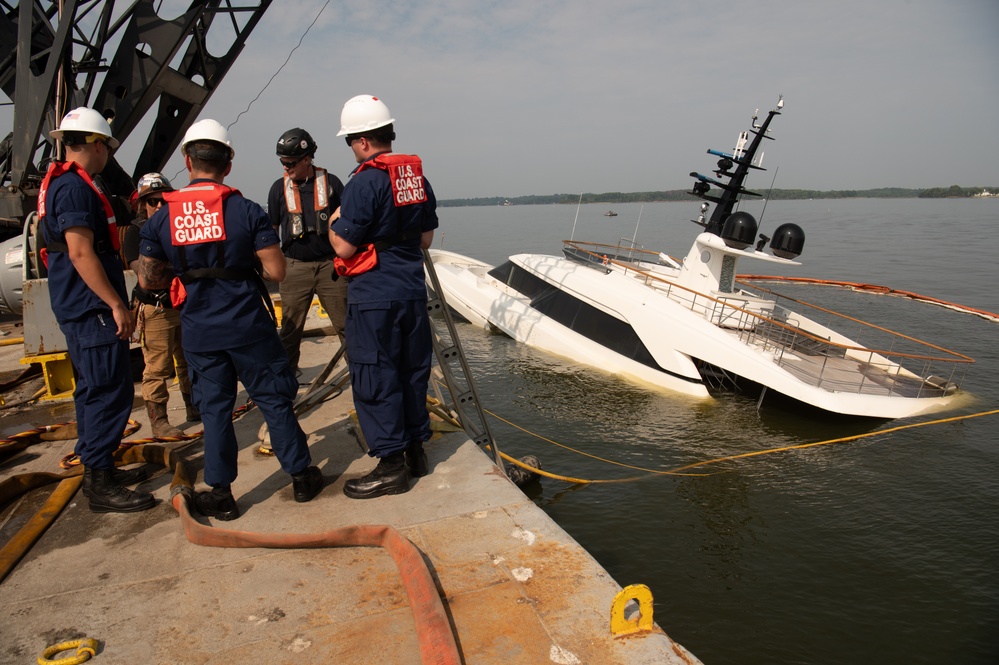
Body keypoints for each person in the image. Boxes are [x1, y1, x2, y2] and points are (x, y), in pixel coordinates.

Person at [137, 119, 323, 520]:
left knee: (215, 410)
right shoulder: (246, 210)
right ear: (230, 163)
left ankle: (222, 494)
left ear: (188, 161)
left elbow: (149, 278)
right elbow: (276, 272)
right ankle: (302, 477)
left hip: (200, 330)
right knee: (274, 400)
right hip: (248, 324)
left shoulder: (160, 218)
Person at [40, 107, 154, 513]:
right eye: (105, 145)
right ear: (95, 144)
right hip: (91, 307)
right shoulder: (73, 189)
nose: (108, 153)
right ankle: (100, 483)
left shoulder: (69, 183)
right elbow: (80, 250)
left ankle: (99, 465)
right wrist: (114, 303)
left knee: (93, 389)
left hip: (79, 304)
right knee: (110, 390)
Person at [329, 95, 439, 499]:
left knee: (376, 375)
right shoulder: (415, 178)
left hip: (374, 295)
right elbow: (425, 238)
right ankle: (415, 453)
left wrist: (332, 223)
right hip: (411, 291)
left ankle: (391, 465)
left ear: (360, 142)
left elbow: (343, 248)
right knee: (412, 371)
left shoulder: (363, 182)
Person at [120, 172, 199, 437]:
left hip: (182, 304)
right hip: (155, 309)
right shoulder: (136, 233)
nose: (159, 206)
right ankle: (159, 421)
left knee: (188, 360)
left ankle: (194, 406)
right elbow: (145, 276)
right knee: (158, 366)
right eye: (152, 202)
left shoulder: (179, 225)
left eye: (164, 200)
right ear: (142, 204)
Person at [268, 128, 348, 376]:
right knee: (290, 330)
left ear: (307, 158)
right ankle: (287, 381)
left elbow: (348, 223)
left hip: (330, 266)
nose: (286, 168)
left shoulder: (332, 183)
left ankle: (362, 377)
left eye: (290, 163)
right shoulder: (277, 189)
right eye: (282, 162)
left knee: (346, 326)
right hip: (294, 267)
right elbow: (271, 230)